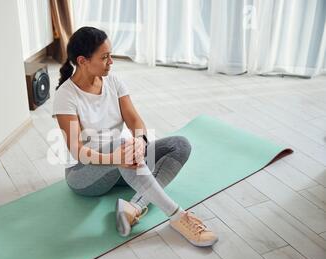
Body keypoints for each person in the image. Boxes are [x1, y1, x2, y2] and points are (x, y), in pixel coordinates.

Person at [52, 26, 218, 247]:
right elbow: (77, 150)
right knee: (122, 145)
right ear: (82, 61)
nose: (111, 61)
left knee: (180, 145)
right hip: (83, 175)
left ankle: (134, 207)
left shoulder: (113, 81)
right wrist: (117, 157)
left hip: (120, 163)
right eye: (104, 57)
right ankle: (178, 217)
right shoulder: (66, 96)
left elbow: (134, 121)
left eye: (110, 55)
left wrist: (140, 143)